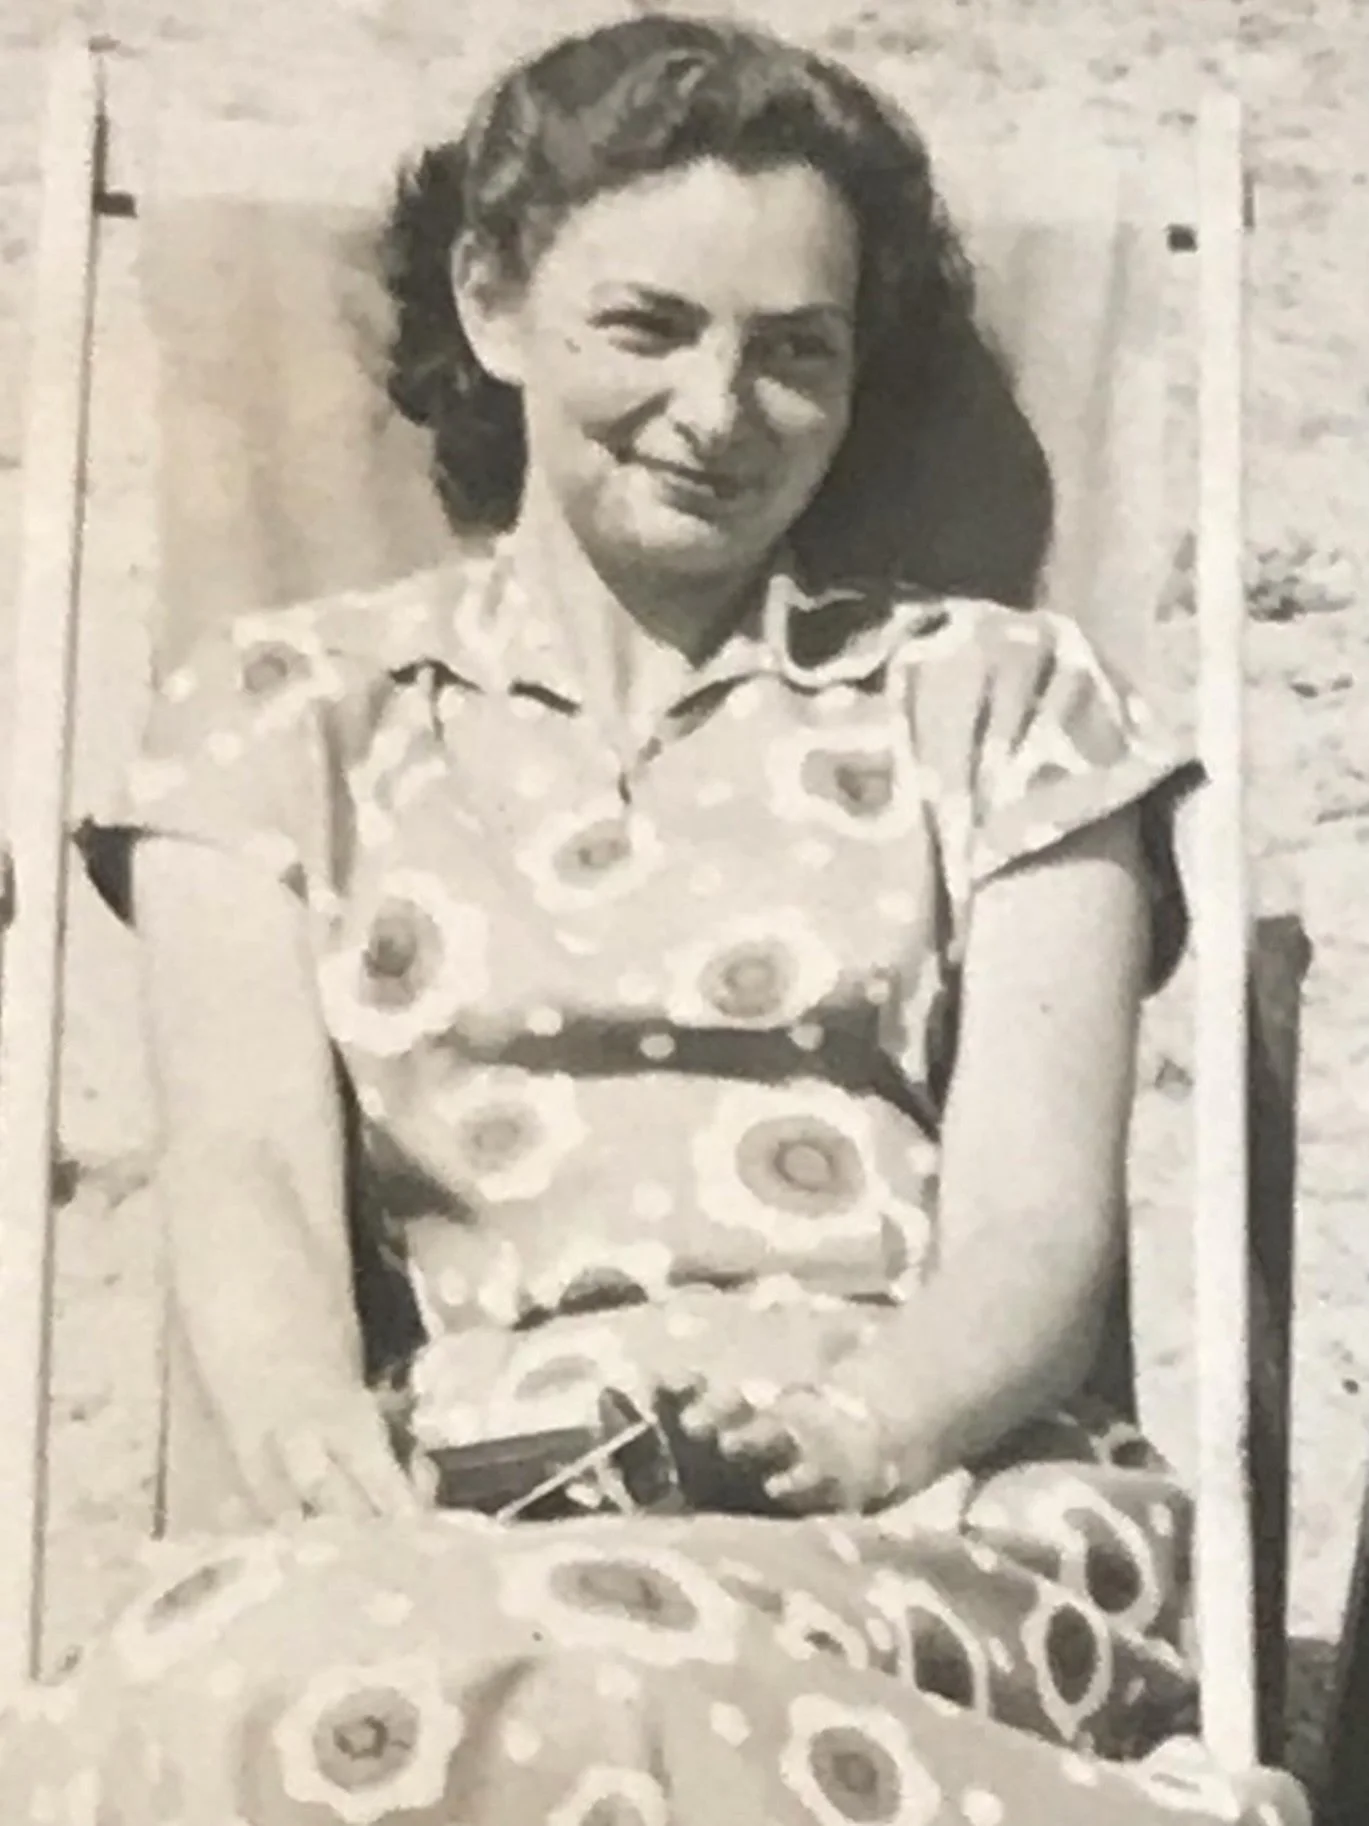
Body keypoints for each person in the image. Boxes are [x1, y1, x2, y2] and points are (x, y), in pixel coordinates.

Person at [1, 16, 1307, 1825]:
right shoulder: (277, 715)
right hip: (468, 1508)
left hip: (922, 1509)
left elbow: (1033, 1227)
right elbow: (251, 1184)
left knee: (586, 1687)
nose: (719, 410)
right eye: (648, 327)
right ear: (492, 304)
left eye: (797, 354)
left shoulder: (1000, 704)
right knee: (198, 1690)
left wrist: (864, 1428)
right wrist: (325, 1454)